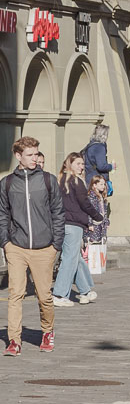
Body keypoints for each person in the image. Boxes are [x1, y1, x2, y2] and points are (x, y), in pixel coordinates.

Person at [1, 136, 65, 355]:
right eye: (30, 155)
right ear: (18, 156)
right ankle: (14, 340)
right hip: (16, 247)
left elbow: (58, 212)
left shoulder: (48, 180)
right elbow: (2, 214)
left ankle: (47, 331)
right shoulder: (7, 183)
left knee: (44, 295)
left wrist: (56, 244)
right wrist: (6, 242)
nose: (35, 159)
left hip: (44, 247)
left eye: (36, 154)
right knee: (15, 294)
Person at [52, 153, 102, 306]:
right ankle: (59, 294)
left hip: (62, 223)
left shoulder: (59, 181)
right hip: (73, 224)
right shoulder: (76, 181)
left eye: (82, 164)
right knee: (69, 259)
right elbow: (84, 203)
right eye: (78, 164)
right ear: (70, 164)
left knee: (75, 258)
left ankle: (85, 290)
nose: (81, 167)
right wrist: (97, 216)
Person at [86, 175, 110, 275]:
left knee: (99, 244)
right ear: (94, 185)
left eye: (104, 184)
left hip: (101, 225)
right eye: (101, 184)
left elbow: (104, 211)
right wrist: (89, 224)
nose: (103, 186)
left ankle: (96, 265)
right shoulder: (92, 197)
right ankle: (91, 266)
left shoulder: (101, 196)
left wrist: (107, 222)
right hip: (94, 225)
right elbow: (90, 212)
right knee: (92, 245)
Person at [82, 124, 113, 193]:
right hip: (98, 181)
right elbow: (101, 166)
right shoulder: (100, 147)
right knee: (98, 201)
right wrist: (111, 166)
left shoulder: (90, 145)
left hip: (89, 178)